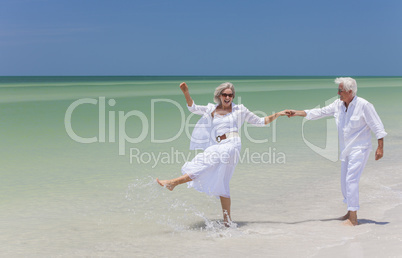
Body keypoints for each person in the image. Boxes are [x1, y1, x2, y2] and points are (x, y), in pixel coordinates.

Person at [157, 82, 288, 225]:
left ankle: (173, 182)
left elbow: (261, 121)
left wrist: (278, 114)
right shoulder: (211, 109)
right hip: (219, 145)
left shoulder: (240, 109)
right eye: (224, 94)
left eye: (230, 95)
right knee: (221, 180)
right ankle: (227, 221)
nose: (227, 97)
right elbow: (193, 108)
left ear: (233, 97)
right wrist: (186, 92)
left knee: (206, 164)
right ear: (219, 96)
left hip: (233, 144)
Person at [287, 77, 387, 226]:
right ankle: (349, 211)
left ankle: (353, 219)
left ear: (350, 91)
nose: (338, 93)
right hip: (346, 150)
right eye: (338, 90)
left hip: (360, 148)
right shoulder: (338, 105)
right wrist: (297, 113)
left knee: (351, 180)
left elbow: (378, 126)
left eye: (340, 90)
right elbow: (319, 112)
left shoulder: (364, 105)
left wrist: (380, 148)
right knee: (344, 182)